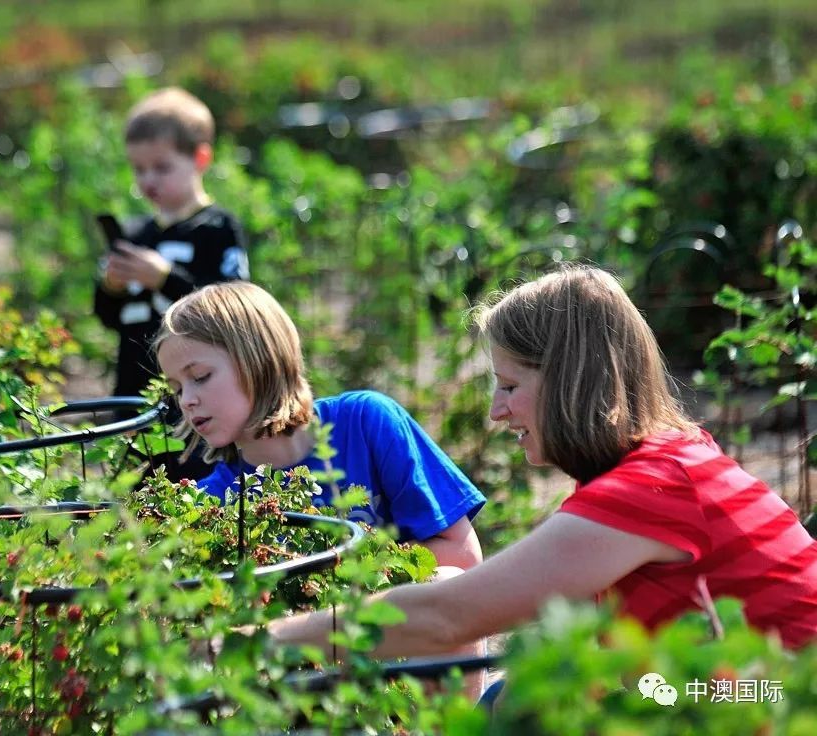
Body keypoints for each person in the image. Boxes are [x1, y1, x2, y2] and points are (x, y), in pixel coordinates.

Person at [263, 264, 817, 667]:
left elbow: (449, 617)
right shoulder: (674, 457)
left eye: (509, 385)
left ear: (569, 379)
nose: (495, 411)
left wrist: (253, 641)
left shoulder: (651, 487)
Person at [153, 281, 486, 573]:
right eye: (178, 389)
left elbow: (462, 556)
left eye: (200, 377)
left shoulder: (366, 422)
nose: (187, 401)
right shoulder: (214, 504)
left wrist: (339, 581)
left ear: (259, 359)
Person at [94, 86, 249, 401]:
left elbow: (233, 307)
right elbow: (107, 316)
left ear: (200, 158)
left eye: (162, 167)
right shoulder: (135, 235)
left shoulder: (217, 228)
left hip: (195, 397)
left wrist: (165, 279)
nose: (148, 179)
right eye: (139, 169)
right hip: (131, 392)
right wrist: (112, 286)